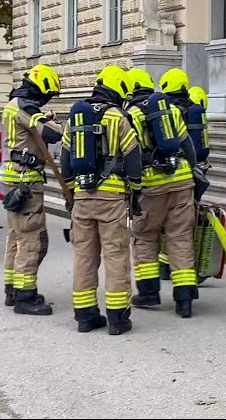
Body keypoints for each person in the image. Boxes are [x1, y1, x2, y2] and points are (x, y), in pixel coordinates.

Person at [62, 66, 142, 335]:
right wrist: (136, 190)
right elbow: (133, 157)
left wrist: (72, 193)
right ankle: (118, 319)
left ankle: (85, 317)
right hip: (112, 199)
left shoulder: (75, 119)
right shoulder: (118, 117)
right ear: (118, 88)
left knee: (84, 256)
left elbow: (65, 162)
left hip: (82, 197)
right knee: (115, 255)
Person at [123, 68, 201, 317]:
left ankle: (148, 293)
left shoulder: (130, 115)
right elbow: (187, 145)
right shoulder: (170, 109)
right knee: (180, 238)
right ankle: (185, 299)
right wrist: (193, 173)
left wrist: (132, 187)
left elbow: (129, 154)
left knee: (145, 236)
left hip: (151, 185)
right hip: (181, 180)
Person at [0, 64, 63, 315]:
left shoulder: (12, 104)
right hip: (26, 182)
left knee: (16, 237)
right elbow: (50, 133)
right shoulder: (25, 107)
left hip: (12, 179)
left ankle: (12, 289)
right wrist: (61, 127)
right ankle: (26, 296)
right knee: (32, 239)